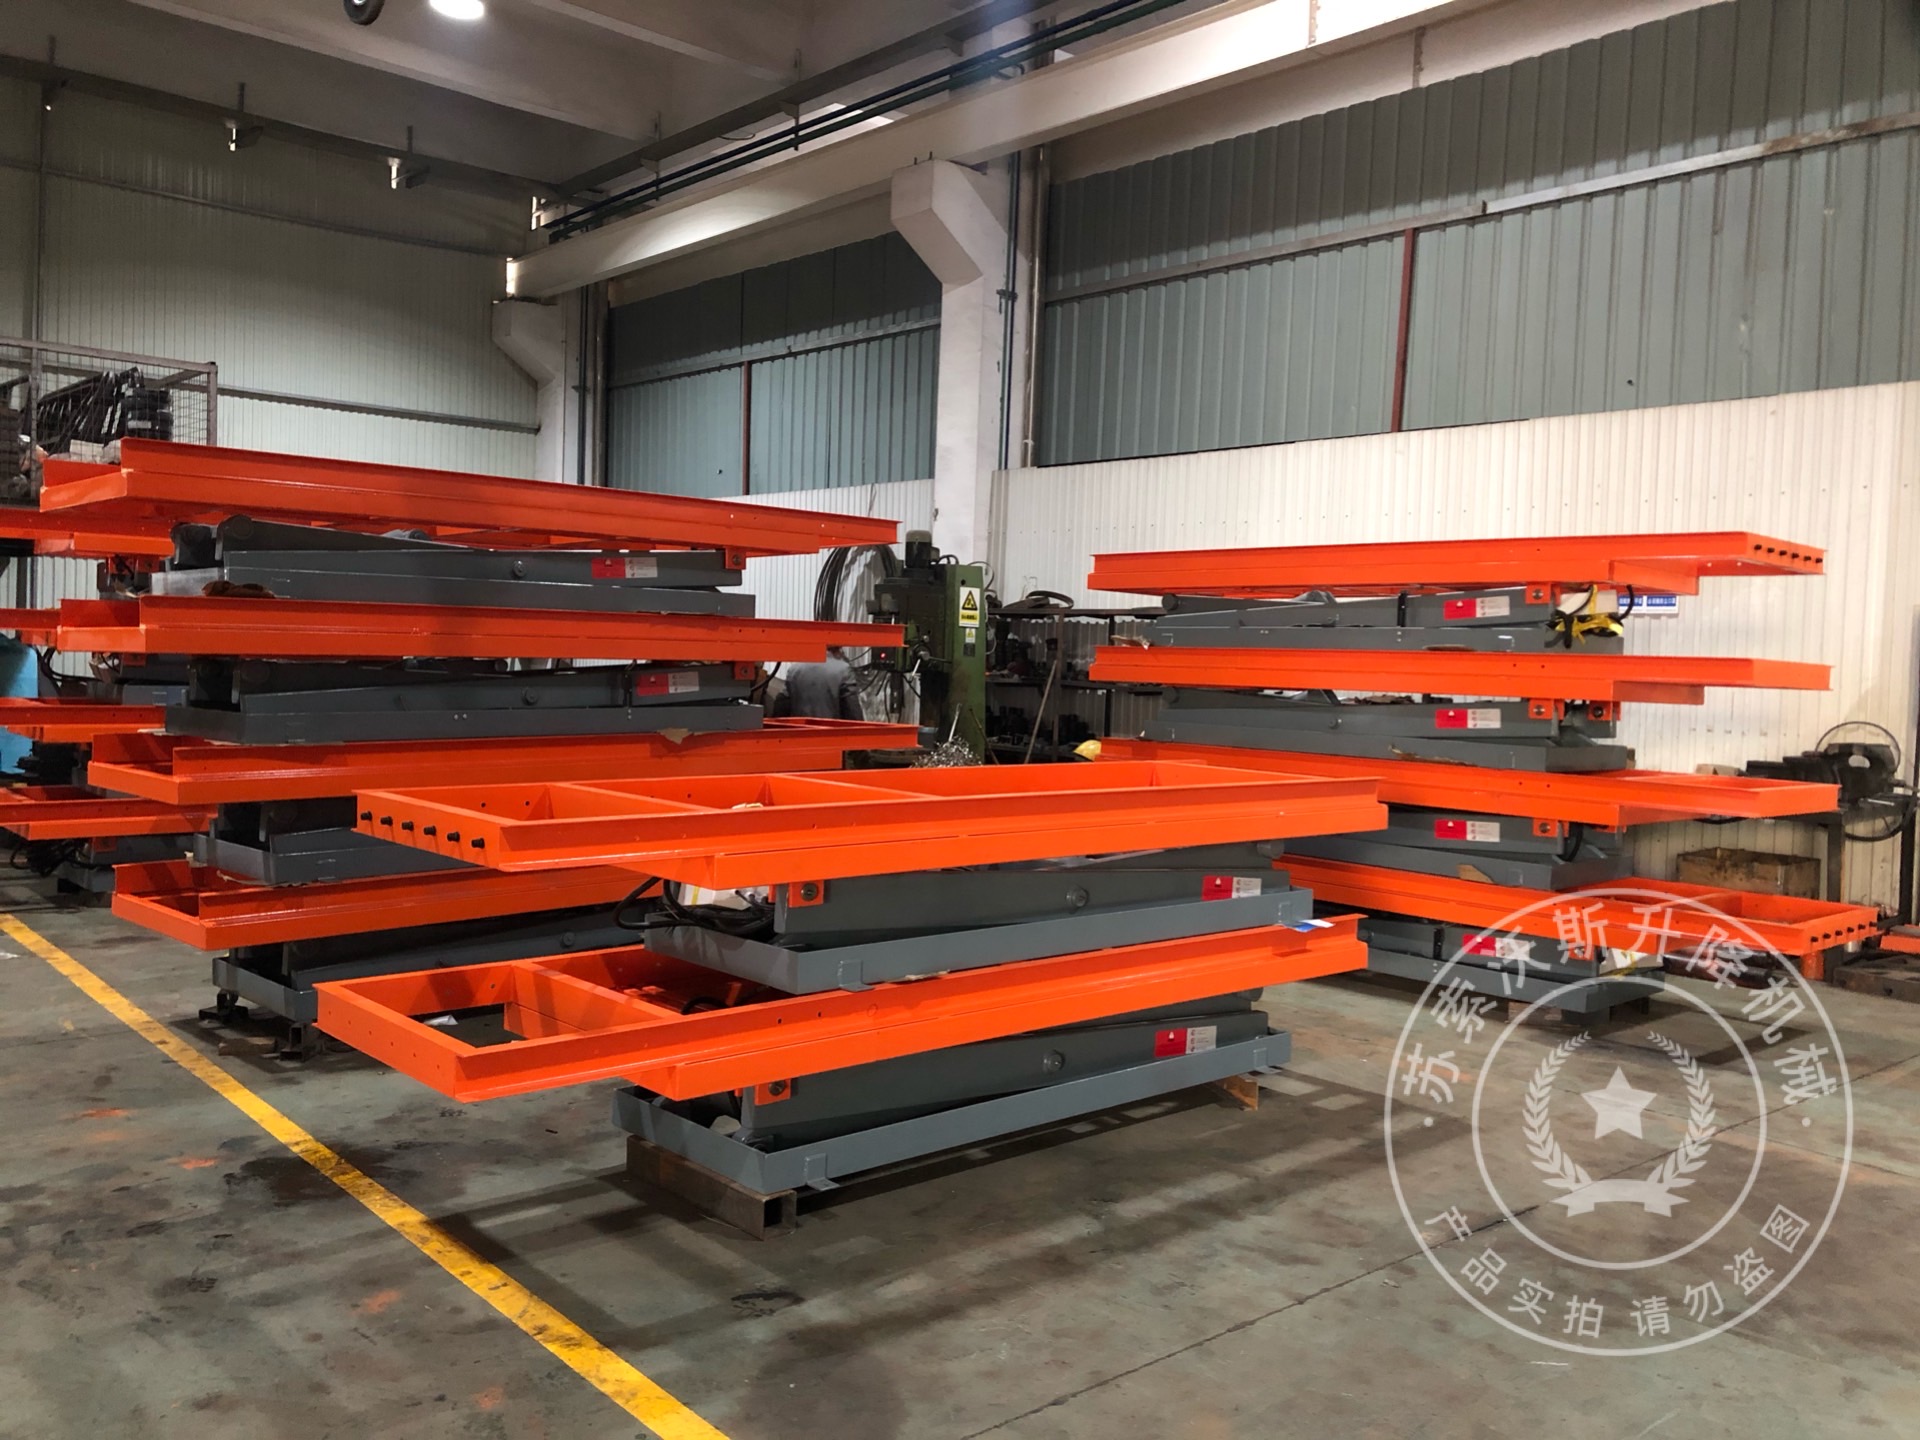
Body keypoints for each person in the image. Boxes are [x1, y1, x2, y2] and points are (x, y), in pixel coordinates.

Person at [777, 646, 863, 720]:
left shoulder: (794, 670)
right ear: (838, 650)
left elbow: (781, 707)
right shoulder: (843, 670)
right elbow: (853, 711)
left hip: (799, 732)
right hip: (831, 732)